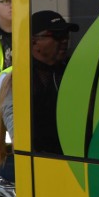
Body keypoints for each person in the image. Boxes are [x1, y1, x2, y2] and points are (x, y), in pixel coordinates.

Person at [30, 10, 78, 154]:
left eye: (66, 34)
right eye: (57, 35)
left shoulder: (71, 71)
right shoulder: (21, 77)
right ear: (34, 41)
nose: (64, 40)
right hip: (37, 158)